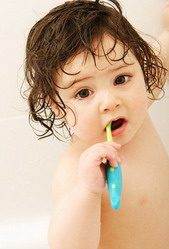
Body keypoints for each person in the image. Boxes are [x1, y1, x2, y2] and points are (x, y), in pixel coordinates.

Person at [24, 0, 169, 248]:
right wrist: (87, 191)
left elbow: (161, 59)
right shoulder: (76, 171)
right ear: (59, 107)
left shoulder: (137, 105)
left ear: (142, 70)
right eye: (83, 93)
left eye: (120, 78)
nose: (110, 102)